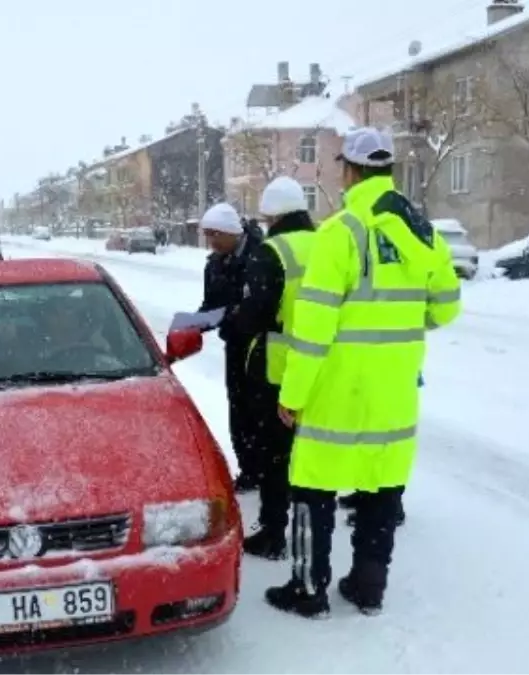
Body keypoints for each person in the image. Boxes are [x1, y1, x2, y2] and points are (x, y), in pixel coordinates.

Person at [265, 127, 462, 618]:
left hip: (336, 391)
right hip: (394, 390)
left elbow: (312, 331)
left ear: (349, 171)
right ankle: (368, 586)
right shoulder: (423, 232)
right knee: (380, 487)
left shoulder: (342, 232)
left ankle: (309, 590)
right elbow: (447, 308)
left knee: (313, 488)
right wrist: (397, 324)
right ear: (388, 169)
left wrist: (291, 395)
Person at [220, 177, 316, 560]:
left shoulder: (271, 252)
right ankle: (314, 527)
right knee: (311, 451)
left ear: (272, 214)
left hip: (278, 367)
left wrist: (233, 323)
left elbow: (256, 312)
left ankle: (274, 532)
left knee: (275, 452)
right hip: (326, 365)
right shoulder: (328, 243)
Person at [197, 202, 265, 493]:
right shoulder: (213, 264)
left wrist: (239, 313)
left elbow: (262, 302)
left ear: (231, 232)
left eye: (215, 235)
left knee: (261, 410)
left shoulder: (261, 256)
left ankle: (269, 470)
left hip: (262, 346)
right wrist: (194, 323)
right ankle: (249, 469)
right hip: (235, 345)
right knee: (238, 409)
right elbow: (211, 305)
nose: (211, 242)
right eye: (207, 236)